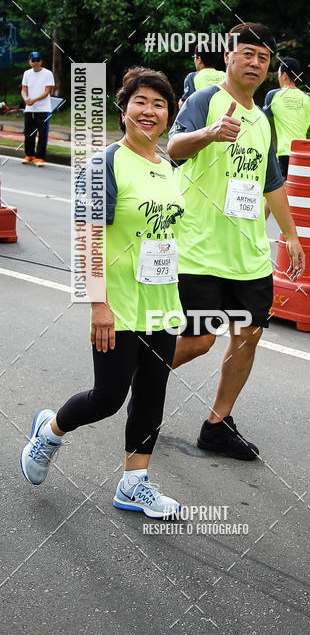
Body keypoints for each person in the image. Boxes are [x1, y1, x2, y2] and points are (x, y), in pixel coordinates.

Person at [20, 67, 185, 518]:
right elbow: (87, 239)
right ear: (124, 108)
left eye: (159, 104)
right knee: (108, 398)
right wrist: (98, 304)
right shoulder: (104, 163)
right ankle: (49, 433)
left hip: (162, 303)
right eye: (141, 102)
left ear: (168, 114)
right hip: (118, 304)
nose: (150, 111)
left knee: (153, 393)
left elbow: (169, 235)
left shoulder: (168, 166)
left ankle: (135, 484)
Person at [167, 23, 305, 460]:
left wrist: (292, 235)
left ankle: (218, 424)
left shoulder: (262, 119)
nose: (255, 63)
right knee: (198, 339)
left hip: (249, 255)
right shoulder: (205, 101)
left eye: (263, 58)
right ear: (228, 56)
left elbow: (271, 181)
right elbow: (172, 147)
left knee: (248, 336)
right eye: (247, 54)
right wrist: (208, 133)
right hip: (199, 249)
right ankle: (134, 379)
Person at [262, 56, 310, 180]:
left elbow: (262, 120)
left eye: (278, 74)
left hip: (284, 151)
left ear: (284, 75)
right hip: (303, 152)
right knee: (294, 186)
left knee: (275, 186)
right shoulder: (308, 97)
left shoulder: (273, 95)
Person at [21, 50, 55, 166]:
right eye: (33, 61)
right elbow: (24, 89)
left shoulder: (47, 73)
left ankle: (40, 157)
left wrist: (34, 100)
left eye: (38, 60)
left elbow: (47, 91)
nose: (35, 63)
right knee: (28, 132)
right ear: (29, 62)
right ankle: (29, 154)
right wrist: (26, 98)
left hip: (43, 108)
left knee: (42, 133)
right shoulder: (27, 73)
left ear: (41, 61)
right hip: (30, 108)